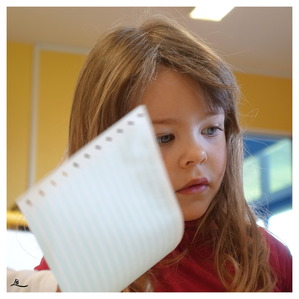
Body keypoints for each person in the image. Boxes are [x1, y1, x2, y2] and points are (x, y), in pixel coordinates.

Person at [9, 17, 292, 292]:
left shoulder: (270, 258)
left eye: (211, 129)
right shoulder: (80, 265)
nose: (197, 154)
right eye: (164, 137)